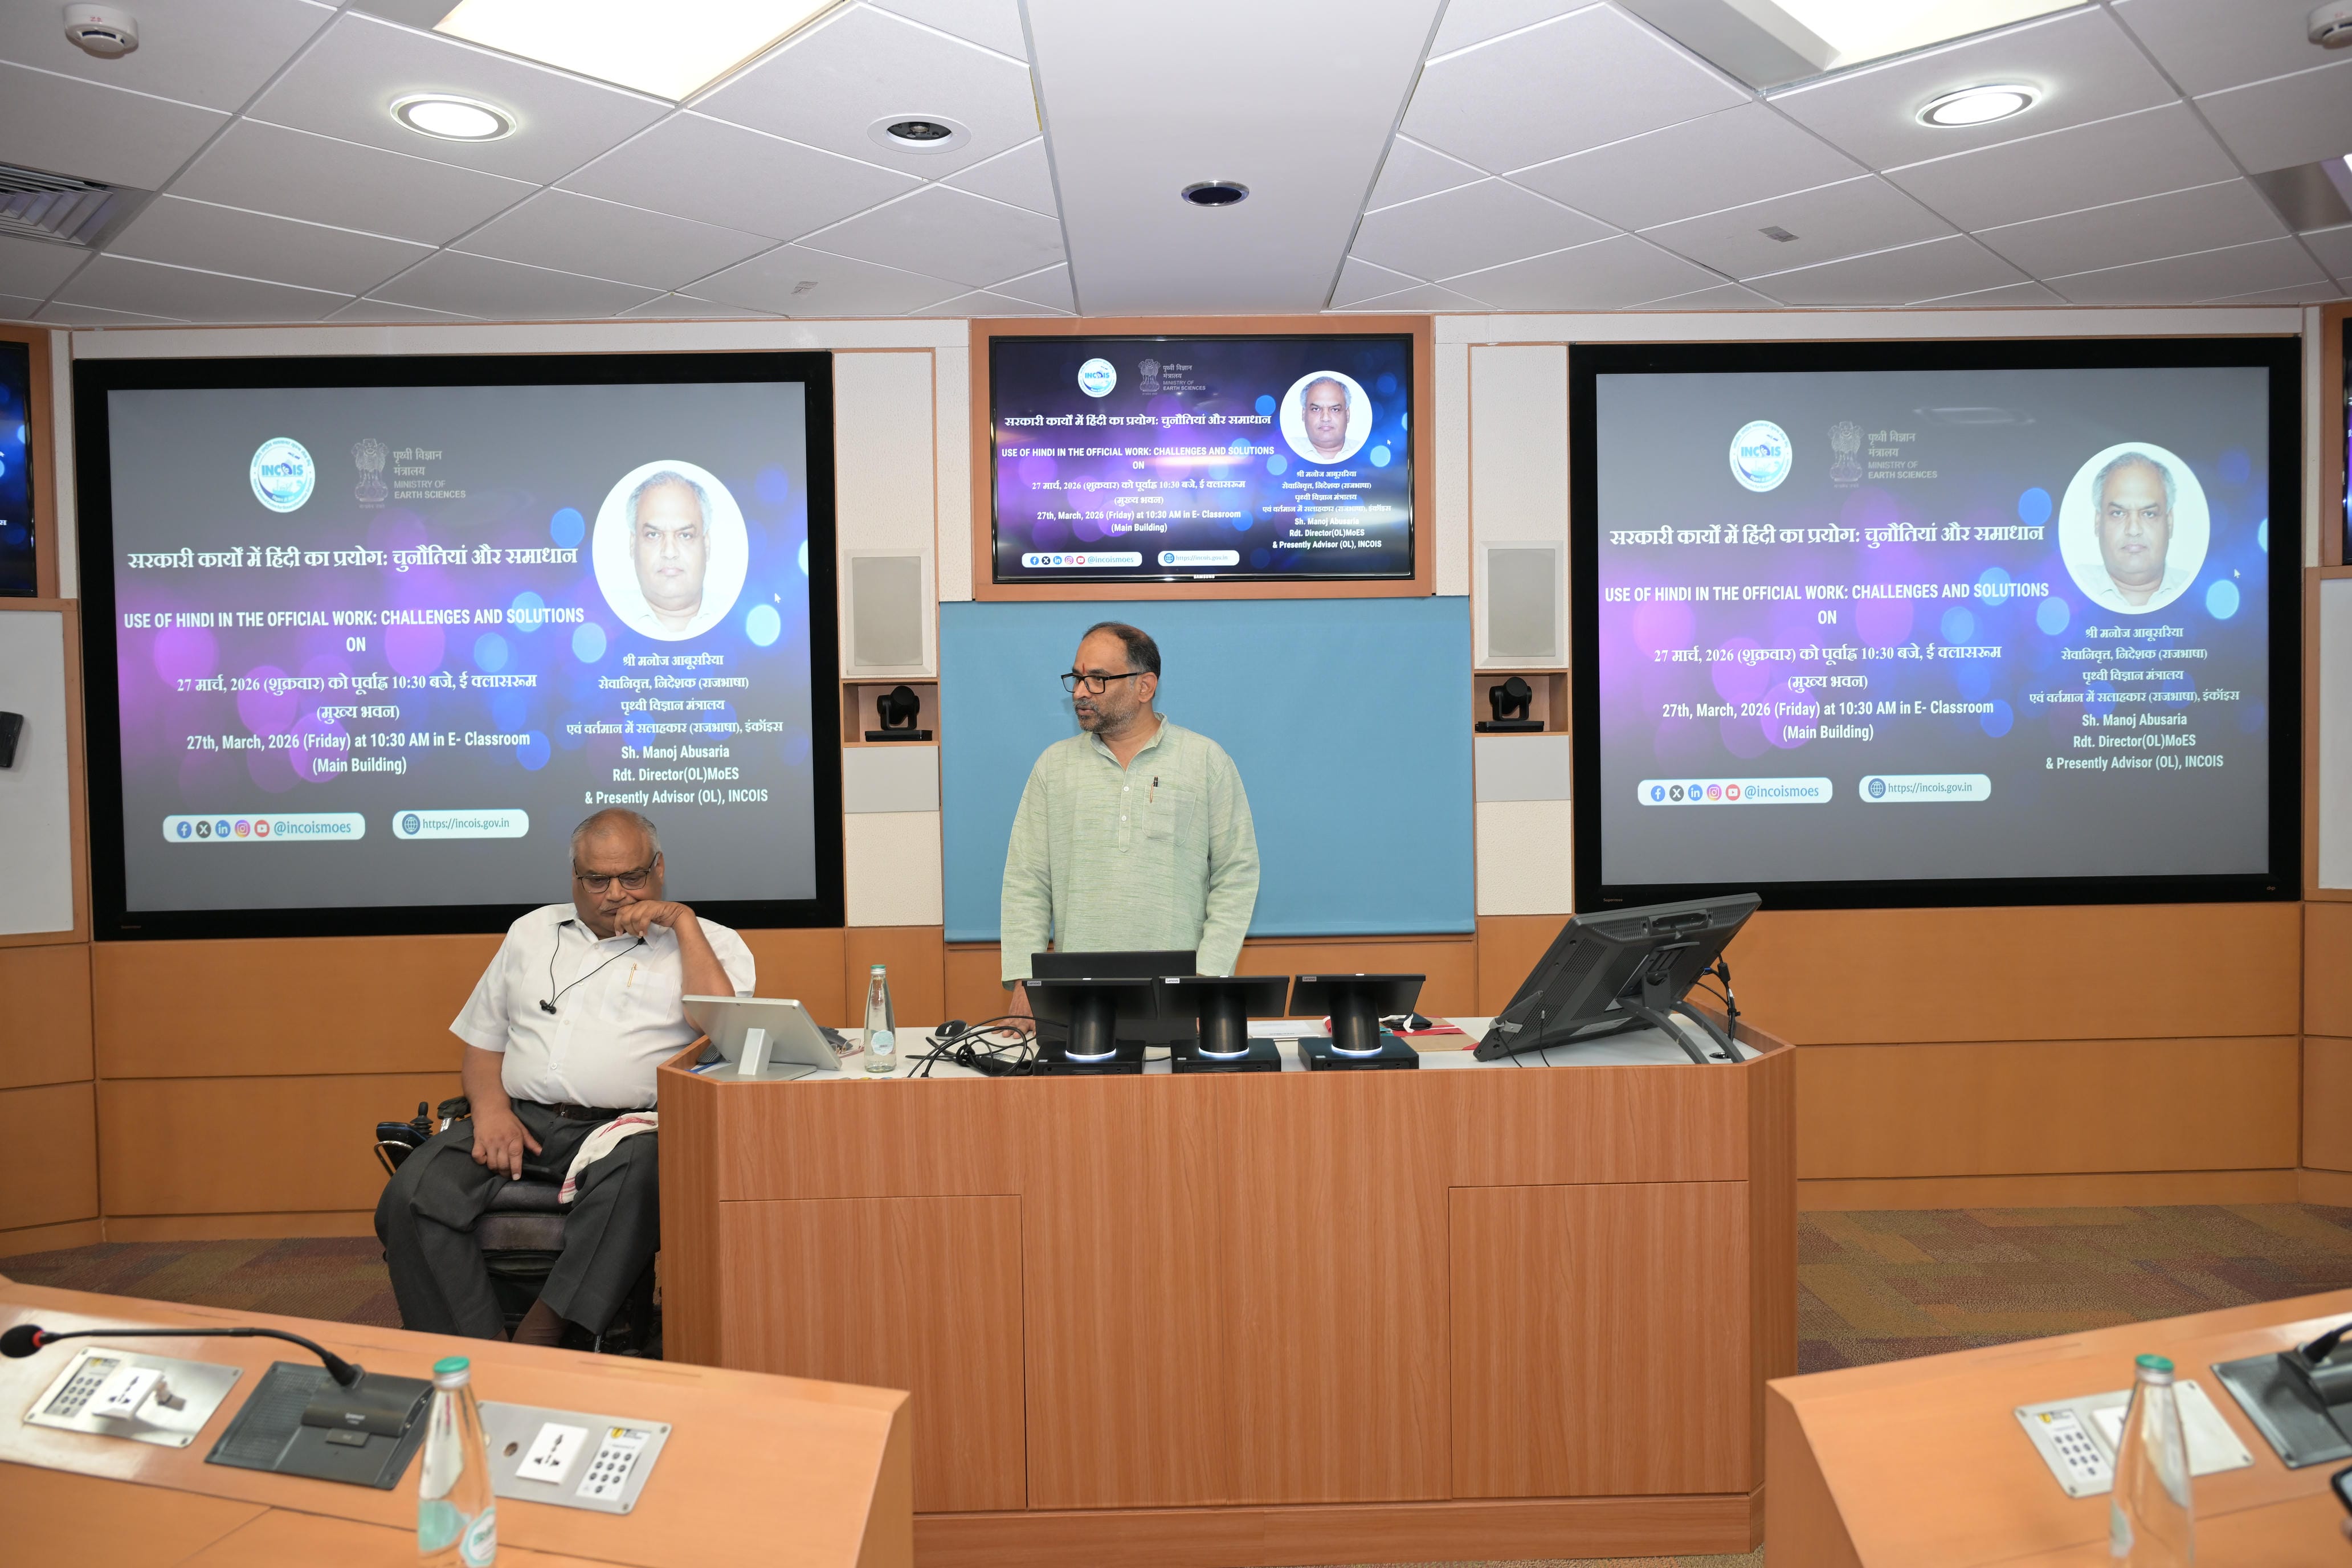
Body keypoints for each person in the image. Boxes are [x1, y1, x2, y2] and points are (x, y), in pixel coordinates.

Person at [375, 808, 753, 1345]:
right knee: (412, 1195)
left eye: (632, 877)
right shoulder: (531, 932)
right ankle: (474, 1351)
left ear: (660, 869)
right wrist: (490, 1112)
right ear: (574, 878)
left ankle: (543, 1339)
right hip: (520, 1118)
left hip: (626, 1132)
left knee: (645, 1174)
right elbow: (484, 1044)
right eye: (597, 880)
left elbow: (723, 1032)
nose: (615, 894)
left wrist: (684, 924)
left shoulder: (712, 942)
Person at [1001, 622, 1259, 1016]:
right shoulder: (1053, 766)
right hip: (1078, 1001)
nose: (1081, 691)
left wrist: (1207, 980)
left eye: (1098, 679)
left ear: (1145, 686)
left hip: (1180, 997)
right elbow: (1027, 880)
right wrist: (1025, 981)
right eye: (1077, 678)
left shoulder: (1206, 761)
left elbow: (1236, 875)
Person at [2084, 451, 2195, 613]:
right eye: (2118, 513)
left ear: (2170, 522)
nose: (2134, 530)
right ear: (2098, 522)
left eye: (2149, 514)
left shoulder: (2195, 589)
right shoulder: (2070, 586)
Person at [628, 470, 716, 637]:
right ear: (633, 545)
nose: (669, 553)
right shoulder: (602, 616)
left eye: (685, 535)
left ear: (706, 545)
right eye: (653, 535)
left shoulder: (735, 615)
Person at [1298, 375, 1352, 464]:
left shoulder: (1364, 452)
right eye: (1316, 409)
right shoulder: (1285, 450)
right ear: (1304, 414)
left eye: (1335, 409)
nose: (1325, 418)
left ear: (1347, 415)